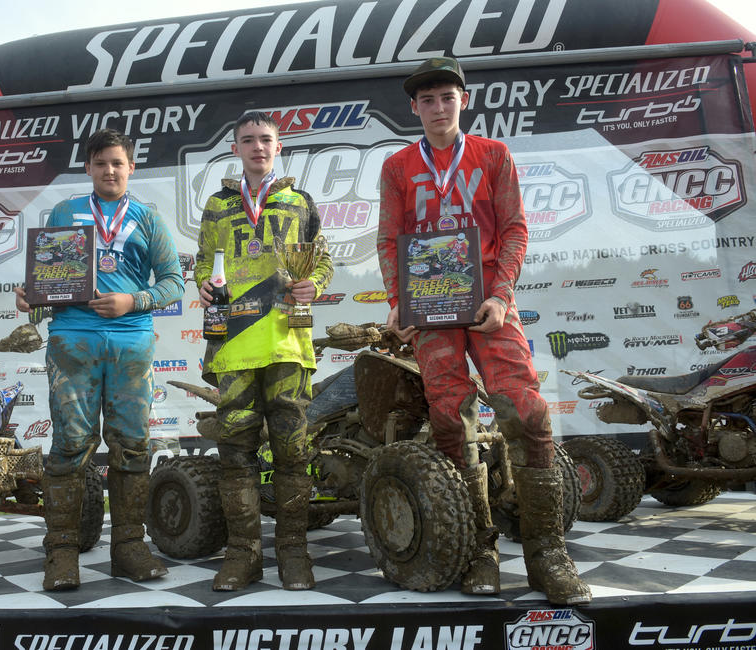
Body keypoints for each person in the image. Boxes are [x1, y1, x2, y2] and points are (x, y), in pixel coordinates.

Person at [376, 57, 591, 605]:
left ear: (462, 101)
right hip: (430, 310)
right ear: (414, 108)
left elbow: (515, 227)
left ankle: (546, 554)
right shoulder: (399, 165)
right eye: (427, 100)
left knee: (528, 410)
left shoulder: (493, 155)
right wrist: (399, 301)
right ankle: (480, 551)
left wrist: (500, 294)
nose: (437, 107)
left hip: (489, 306)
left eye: (447, 96)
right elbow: (389, 238)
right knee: (450, 418)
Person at [14, 128, 184, 591]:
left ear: (131, 168)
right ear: (87, 167)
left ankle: (129, 546)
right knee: (70, 444)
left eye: (118, 163)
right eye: (101, 163)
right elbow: (52, 282)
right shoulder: (67, 213)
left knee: (131, 446)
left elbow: (174, 283)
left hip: (131, 345)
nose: (110, 171)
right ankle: (62, 552)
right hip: (73, 342)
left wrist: (134, 300)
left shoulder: (148, 219)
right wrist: (32, 297)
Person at [195, 111, 333, 591]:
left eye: (266, 139)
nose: (257, 146)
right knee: (236, 453)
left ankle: (294, 556)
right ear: (235, 148)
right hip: (234, 344)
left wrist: (313, 284)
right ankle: (242, 556)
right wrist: (205, 287)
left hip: (287, 344)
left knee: (293, 452)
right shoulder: (217, 205)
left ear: (279, 147)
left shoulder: (300, 201)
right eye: (247, 139)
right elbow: (202, 263)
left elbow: (323, 259)